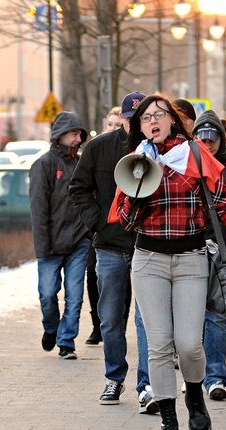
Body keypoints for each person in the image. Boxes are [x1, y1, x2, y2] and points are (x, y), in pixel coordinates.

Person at [114, 94, 226, 430]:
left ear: (173, 120)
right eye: (145, 118)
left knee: (188, 344)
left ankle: (194, 394)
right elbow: (124, 220)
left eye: (159, 115)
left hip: (191, 260)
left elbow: (223, 202)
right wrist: (136, 195)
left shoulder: (195, 155)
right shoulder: (137, 161)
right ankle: (169, 424)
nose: (152, 121)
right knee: (159, 345)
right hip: (149, 261)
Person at [69, 92, 157, 414]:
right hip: (109, 246)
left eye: (142, 117)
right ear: (121, 118)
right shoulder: (99, 147)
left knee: (147, 319)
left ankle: (146, 384)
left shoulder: (158, 149)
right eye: (130, 117)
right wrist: (96, 225)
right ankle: (114, 376)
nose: (135, 123)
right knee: (109, 318)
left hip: (148, 245)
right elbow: (78, 188)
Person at [30, 111, 91, 360]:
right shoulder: (43, 165)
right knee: (47, 294)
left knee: (74, 296)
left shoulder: (80, 165)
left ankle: (67, 341)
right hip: (51, 243)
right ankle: (52, 328)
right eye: (74, 134)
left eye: (79, 134)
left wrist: (89, 231)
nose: (78, 139)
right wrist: (42, 247)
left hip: (79, 241)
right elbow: (38, 209)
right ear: (61, 135)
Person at [192, 110, 226, 401]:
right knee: (190, 318)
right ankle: (194, 376)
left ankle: (216, 375)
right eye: (202, 137)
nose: (208, 143)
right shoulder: (186, 163)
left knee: (216, 314)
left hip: (223, 248)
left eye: (213, 137)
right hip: (191, 246)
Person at [84, 106, 126, 346]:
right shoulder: (97, 148)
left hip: (128, 233)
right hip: (102, 230)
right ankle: (97, 325)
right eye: (110, 124)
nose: (114, 129)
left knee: (124, 288)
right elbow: (82, 188)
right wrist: (95, 220)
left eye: (117, 125)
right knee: (95, 276)